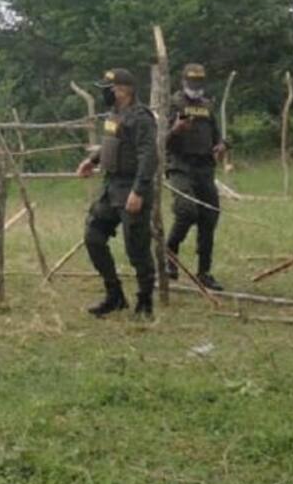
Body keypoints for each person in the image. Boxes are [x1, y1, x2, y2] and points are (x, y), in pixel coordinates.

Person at [76, 68, 159, 319]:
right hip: (110, 186)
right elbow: (112, 142)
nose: (107, 93)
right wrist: (93, 159)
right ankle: (115, 295)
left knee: (137, 248)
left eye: (110, 89)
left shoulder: (141, 117)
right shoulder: (115, 114)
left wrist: (139, 191)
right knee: (93, 236)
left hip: (131, 187)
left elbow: (148, 156)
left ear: (125, 90)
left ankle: (145, 301)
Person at [165, 63, 228, 291]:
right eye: (191, 82)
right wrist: (175, 130)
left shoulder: (208, 106)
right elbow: (160, 139)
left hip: (204, 167)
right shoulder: (173, 104)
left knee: (209, 217)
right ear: (183, 82)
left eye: (199, 82)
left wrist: (220, 146)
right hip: (180, 165)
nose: (195, 86)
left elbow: (217, 137)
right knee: (186, 210)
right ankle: (169, 253)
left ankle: (204, 272)